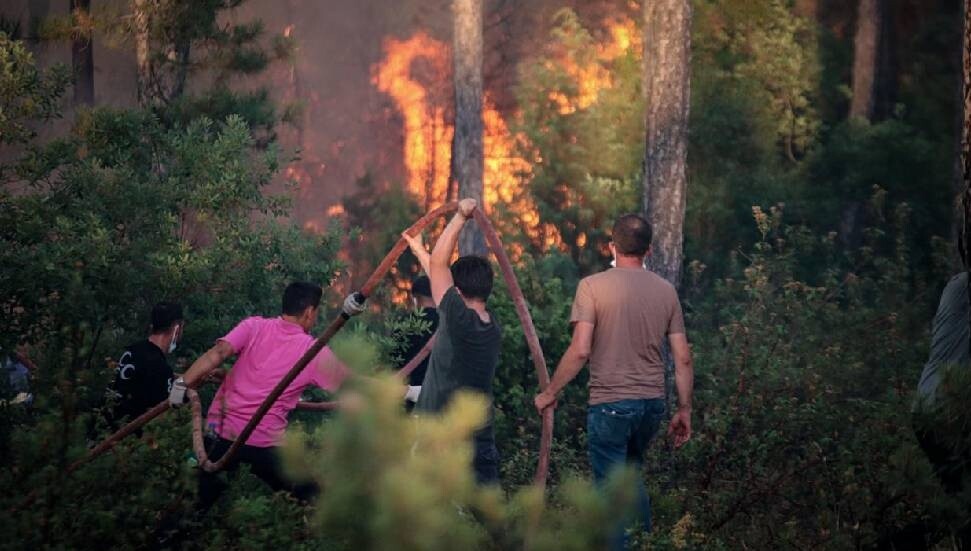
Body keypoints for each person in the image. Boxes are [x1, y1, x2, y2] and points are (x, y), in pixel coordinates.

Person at [533, 213, 694, 547]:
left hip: (610, 407)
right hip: (651, 407)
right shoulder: (666, 291)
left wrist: (549, 392)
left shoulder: (592, 287)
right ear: (648, 250)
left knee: (610, 495)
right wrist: (684, 409)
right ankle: (646, 544)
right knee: (631, 480)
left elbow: (580, 351)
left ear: (612, 246)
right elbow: (683, 357)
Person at [168, 282, 364, 507]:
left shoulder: (253, 326)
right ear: (310, 312)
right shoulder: (312, 351)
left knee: (194, 505)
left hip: (224, 436)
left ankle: (170, 535)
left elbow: (218, 353)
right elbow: (352, 383)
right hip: (265, 445)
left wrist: (182, 383)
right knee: (313, 500)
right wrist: (403, 390)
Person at [414, 198, 503, 485]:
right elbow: (439, 274)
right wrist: (417, 248)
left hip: (441, 439)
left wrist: (461, 217)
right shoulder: (491, 326)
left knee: (423, 520)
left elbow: (439, 265)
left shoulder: (457, 319)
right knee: (496, 524)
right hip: (479, 439)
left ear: (457, 289)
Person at [106, 302, 184, 425]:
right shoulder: (160, 368)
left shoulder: (131, 351)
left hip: (103, 429)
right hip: (128, 438)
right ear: (176, 328)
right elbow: (164, 415)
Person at [400, 232, 440, 407]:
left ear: (415, 298)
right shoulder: (447, 322)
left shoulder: (403, 324)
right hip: (441, 401)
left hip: (408, 401)